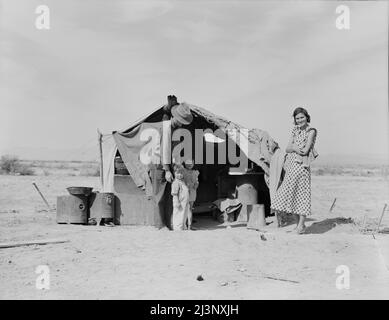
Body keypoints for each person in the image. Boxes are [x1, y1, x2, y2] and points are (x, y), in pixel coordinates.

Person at [271, 107, 318, 234]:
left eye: (302, 117)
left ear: (307, 117)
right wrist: (295, 148)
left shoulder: (311, 131)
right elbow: (287, 148)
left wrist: (295, 148)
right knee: (289, 194)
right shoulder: (295, 130)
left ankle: (301, 225)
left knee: (302, 196)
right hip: (291, 166)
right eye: (297, 118)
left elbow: (305, 150)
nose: (299, 120)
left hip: (302, 167)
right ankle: (299, 225)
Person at [171, 164, 190, 231]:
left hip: (184, 203)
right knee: (178, 215)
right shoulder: (176, 182)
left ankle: (183, 226)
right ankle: (177, 228)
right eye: (178, 173)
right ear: (174, 173)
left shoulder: (182, 182)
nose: (180, 175)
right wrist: (177, 202)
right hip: (179, 203)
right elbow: (175, 194)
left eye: (181, 173)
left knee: (183, 215)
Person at [183, 159, 199, 230]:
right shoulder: (182, 171)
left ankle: (190, 225)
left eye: (191, 163)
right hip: (184, 191)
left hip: (192, 191)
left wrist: (196, 185)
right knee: (183, 208)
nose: (189, 165)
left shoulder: (195, 172)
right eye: (188, 163)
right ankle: (183, 225)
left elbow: (196, 182)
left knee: (190, 208)